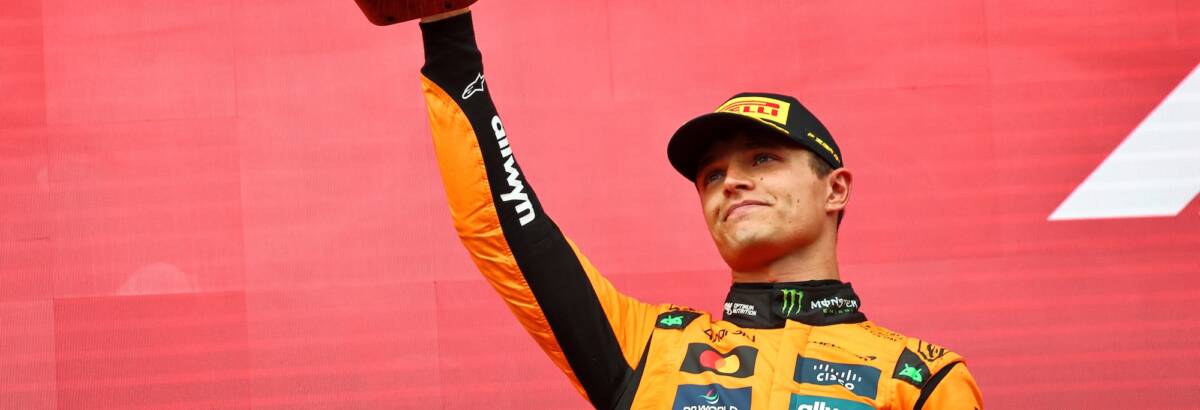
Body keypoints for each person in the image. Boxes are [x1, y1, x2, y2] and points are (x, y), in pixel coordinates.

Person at [416, 7, 983, 409]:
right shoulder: (649, 347)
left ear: (835, 189)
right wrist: (447, 31)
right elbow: (507, 229)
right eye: (712, 175)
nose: (731, 181)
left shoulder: (921, 380)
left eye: (763, 158)